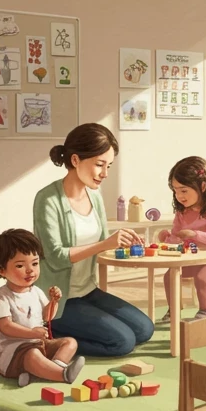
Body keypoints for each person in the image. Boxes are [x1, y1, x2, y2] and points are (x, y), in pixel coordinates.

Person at [33, 123, 154, 357]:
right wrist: (107, 243)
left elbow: (100, 247)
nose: (104, 173)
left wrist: (129, 249)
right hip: (59, 299)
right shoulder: (47, 199)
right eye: (99, 164)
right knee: (123, 342)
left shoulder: (95, 197)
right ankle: (50, 338)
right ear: (76, 160)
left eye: (108, 166)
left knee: (144, 329)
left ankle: (68, 332)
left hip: (88, 291)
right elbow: (57, 258)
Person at [0, 228, 84, 387]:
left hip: (39, 343)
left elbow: (47, 317)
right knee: (32, 355)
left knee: (70, 342)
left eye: (35, 263)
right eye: (20, 266)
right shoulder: (1, 297)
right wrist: (31, 333)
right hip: (13, 350)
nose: (30, 270)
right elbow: (5, 327)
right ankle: (62, 374)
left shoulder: (36, 291)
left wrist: (54, 301)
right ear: (1, 270)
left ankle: (52, 367)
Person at [157, 156, 206, 324]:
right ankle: (173, 309)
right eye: (175, 190)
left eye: (184, 190)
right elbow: (176, 238)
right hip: (188, 260)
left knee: (203, 276)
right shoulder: (182, 213)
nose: (179, 195)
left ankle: (205, 310)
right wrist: (166, 238)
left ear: (202, 186)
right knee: (169, 276)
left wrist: (194, 234)